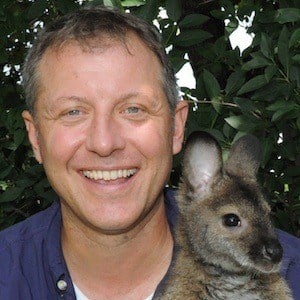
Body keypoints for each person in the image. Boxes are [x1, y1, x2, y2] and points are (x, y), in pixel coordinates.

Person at [0, 6, 299, 300]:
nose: (104, 144)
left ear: (176, 128)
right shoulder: (8, 274)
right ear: (35, 137)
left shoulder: (292, 275)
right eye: (73, 112)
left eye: (133, 109)